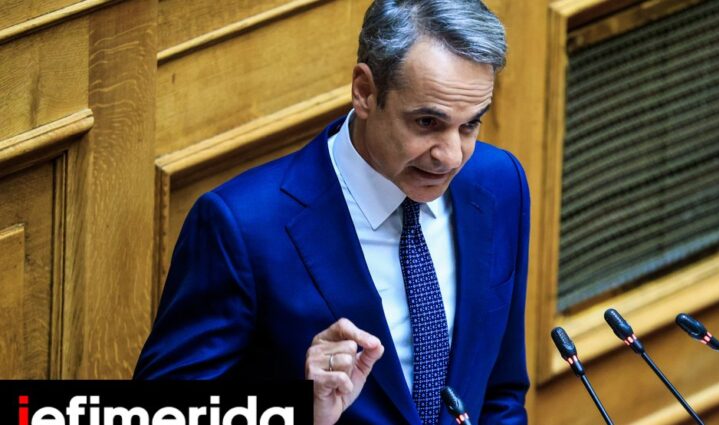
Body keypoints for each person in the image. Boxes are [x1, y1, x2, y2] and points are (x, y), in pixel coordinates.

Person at [134, 0, 530, 424]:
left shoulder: (498, 183)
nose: (450, 156)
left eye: (470, 125)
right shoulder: (243, 228)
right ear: (365, 91)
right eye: (427, 123)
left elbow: (500, 393)